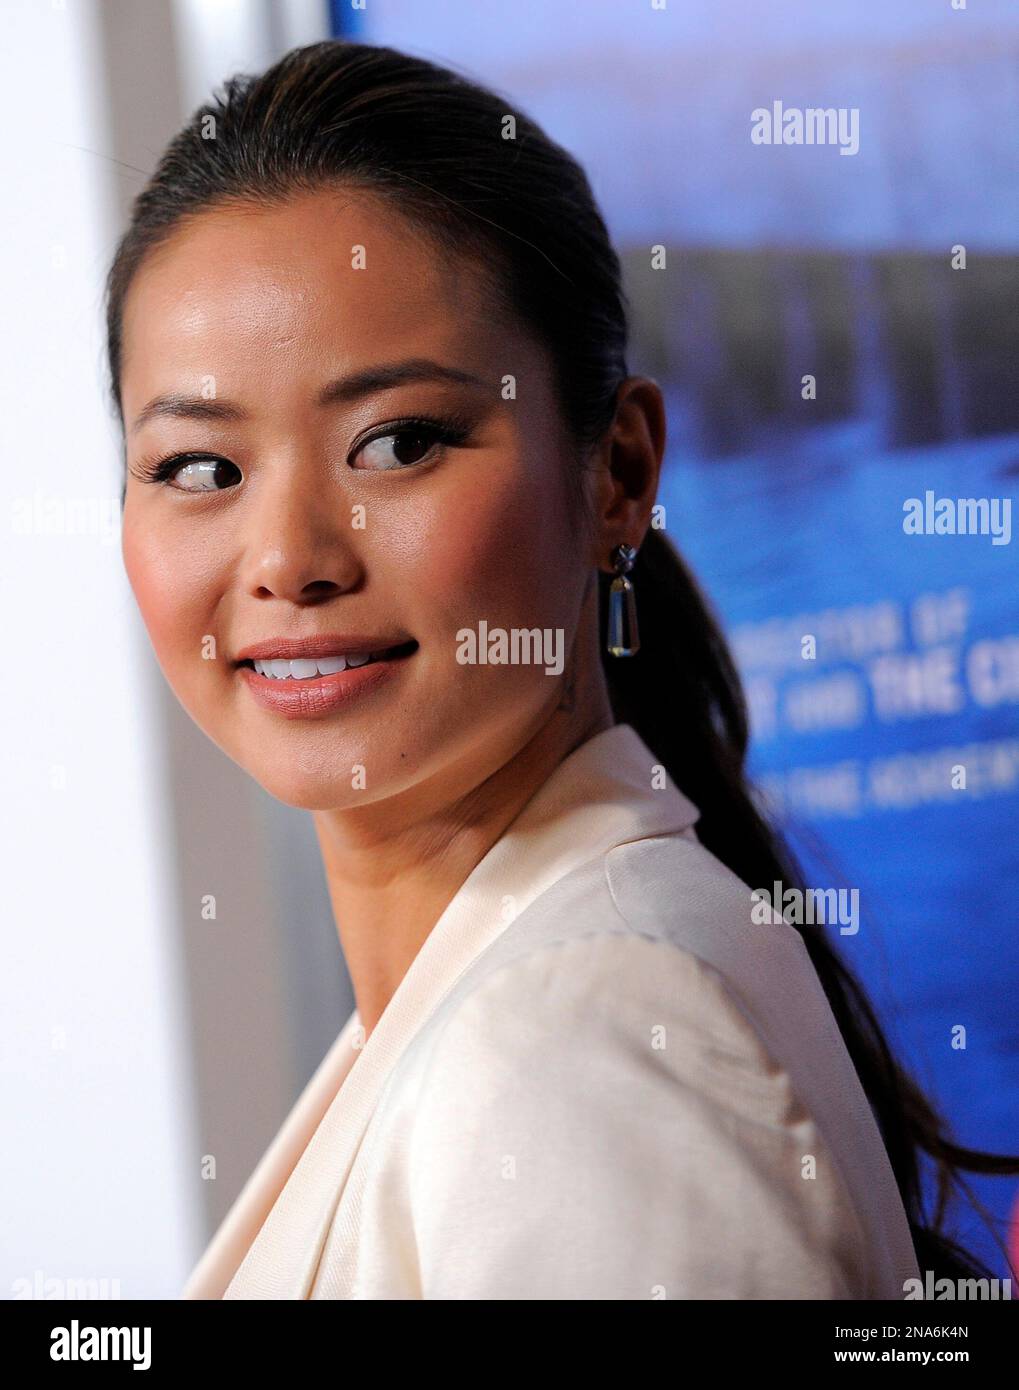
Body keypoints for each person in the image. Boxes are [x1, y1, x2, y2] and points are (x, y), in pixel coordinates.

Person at [105, 39, 1017, 1299]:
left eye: (398, 441)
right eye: (199, 468)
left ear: (617, 474)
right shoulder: (502, 993)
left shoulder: (573, 1036)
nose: (289, 559)